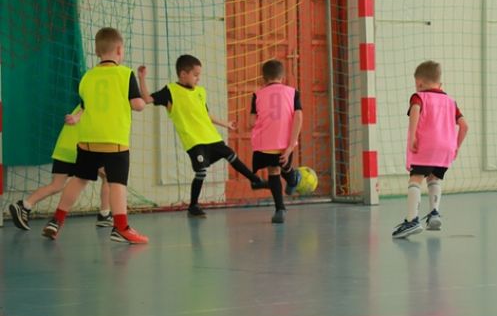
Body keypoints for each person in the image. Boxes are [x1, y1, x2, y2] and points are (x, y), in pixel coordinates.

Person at [41, 27, 148, 244]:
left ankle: (56, 220)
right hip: (114, 141)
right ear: (119, 50)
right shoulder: (125, 74)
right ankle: (121, 227)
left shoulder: (87, 77)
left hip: (88, 140)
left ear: (97, 51)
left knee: (79, 179)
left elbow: (84, 107)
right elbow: (137, 105)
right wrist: (143, 101)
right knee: (117, 183)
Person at [137, 54, 268, 218]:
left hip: (211, 136)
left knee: (231, 154)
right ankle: (193, 206)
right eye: (195, 75)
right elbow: (147, 99)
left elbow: (205, 115)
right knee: (201, 172)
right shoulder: (170, 91)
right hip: (194, 141)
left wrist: (225, 123)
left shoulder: (200, 92)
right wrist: (142, 78)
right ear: (183, 74)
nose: (198, 78)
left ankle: (255, 180)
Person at [392, 60, 468, 239]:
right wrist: (456, 146)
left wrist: (413, 136)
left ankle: (412, 220)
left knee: (416, 179)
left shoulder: (418, 97)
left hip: (426, 146)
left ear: (419, 83)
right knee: (434, 178)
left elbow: (415, 110)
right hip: (446, 148)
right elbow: (464, 126)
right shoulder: (451, 101)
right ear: (440, 84)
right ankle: (434, 213)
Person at [8, 105, 112, 230]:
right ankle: (105, 215)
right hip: (83, 147)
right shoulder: (98, 105)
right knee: (108, 175)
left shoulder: (85, 103)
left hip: (64, 148)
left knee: (56, 185)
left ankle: (25, 205)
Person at [249, 59, 303, 224]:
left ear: (263, 78)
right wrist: (290, 146)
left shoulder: (257, 95)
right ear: (283, 76)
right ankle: (293, 178)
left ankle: (280, 209)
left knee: (274, 171)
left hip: (265, 144)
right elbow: (298, 117)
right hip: (285, 143)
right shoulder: (293, 93)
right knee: (282, 166)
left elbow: (251, 122)